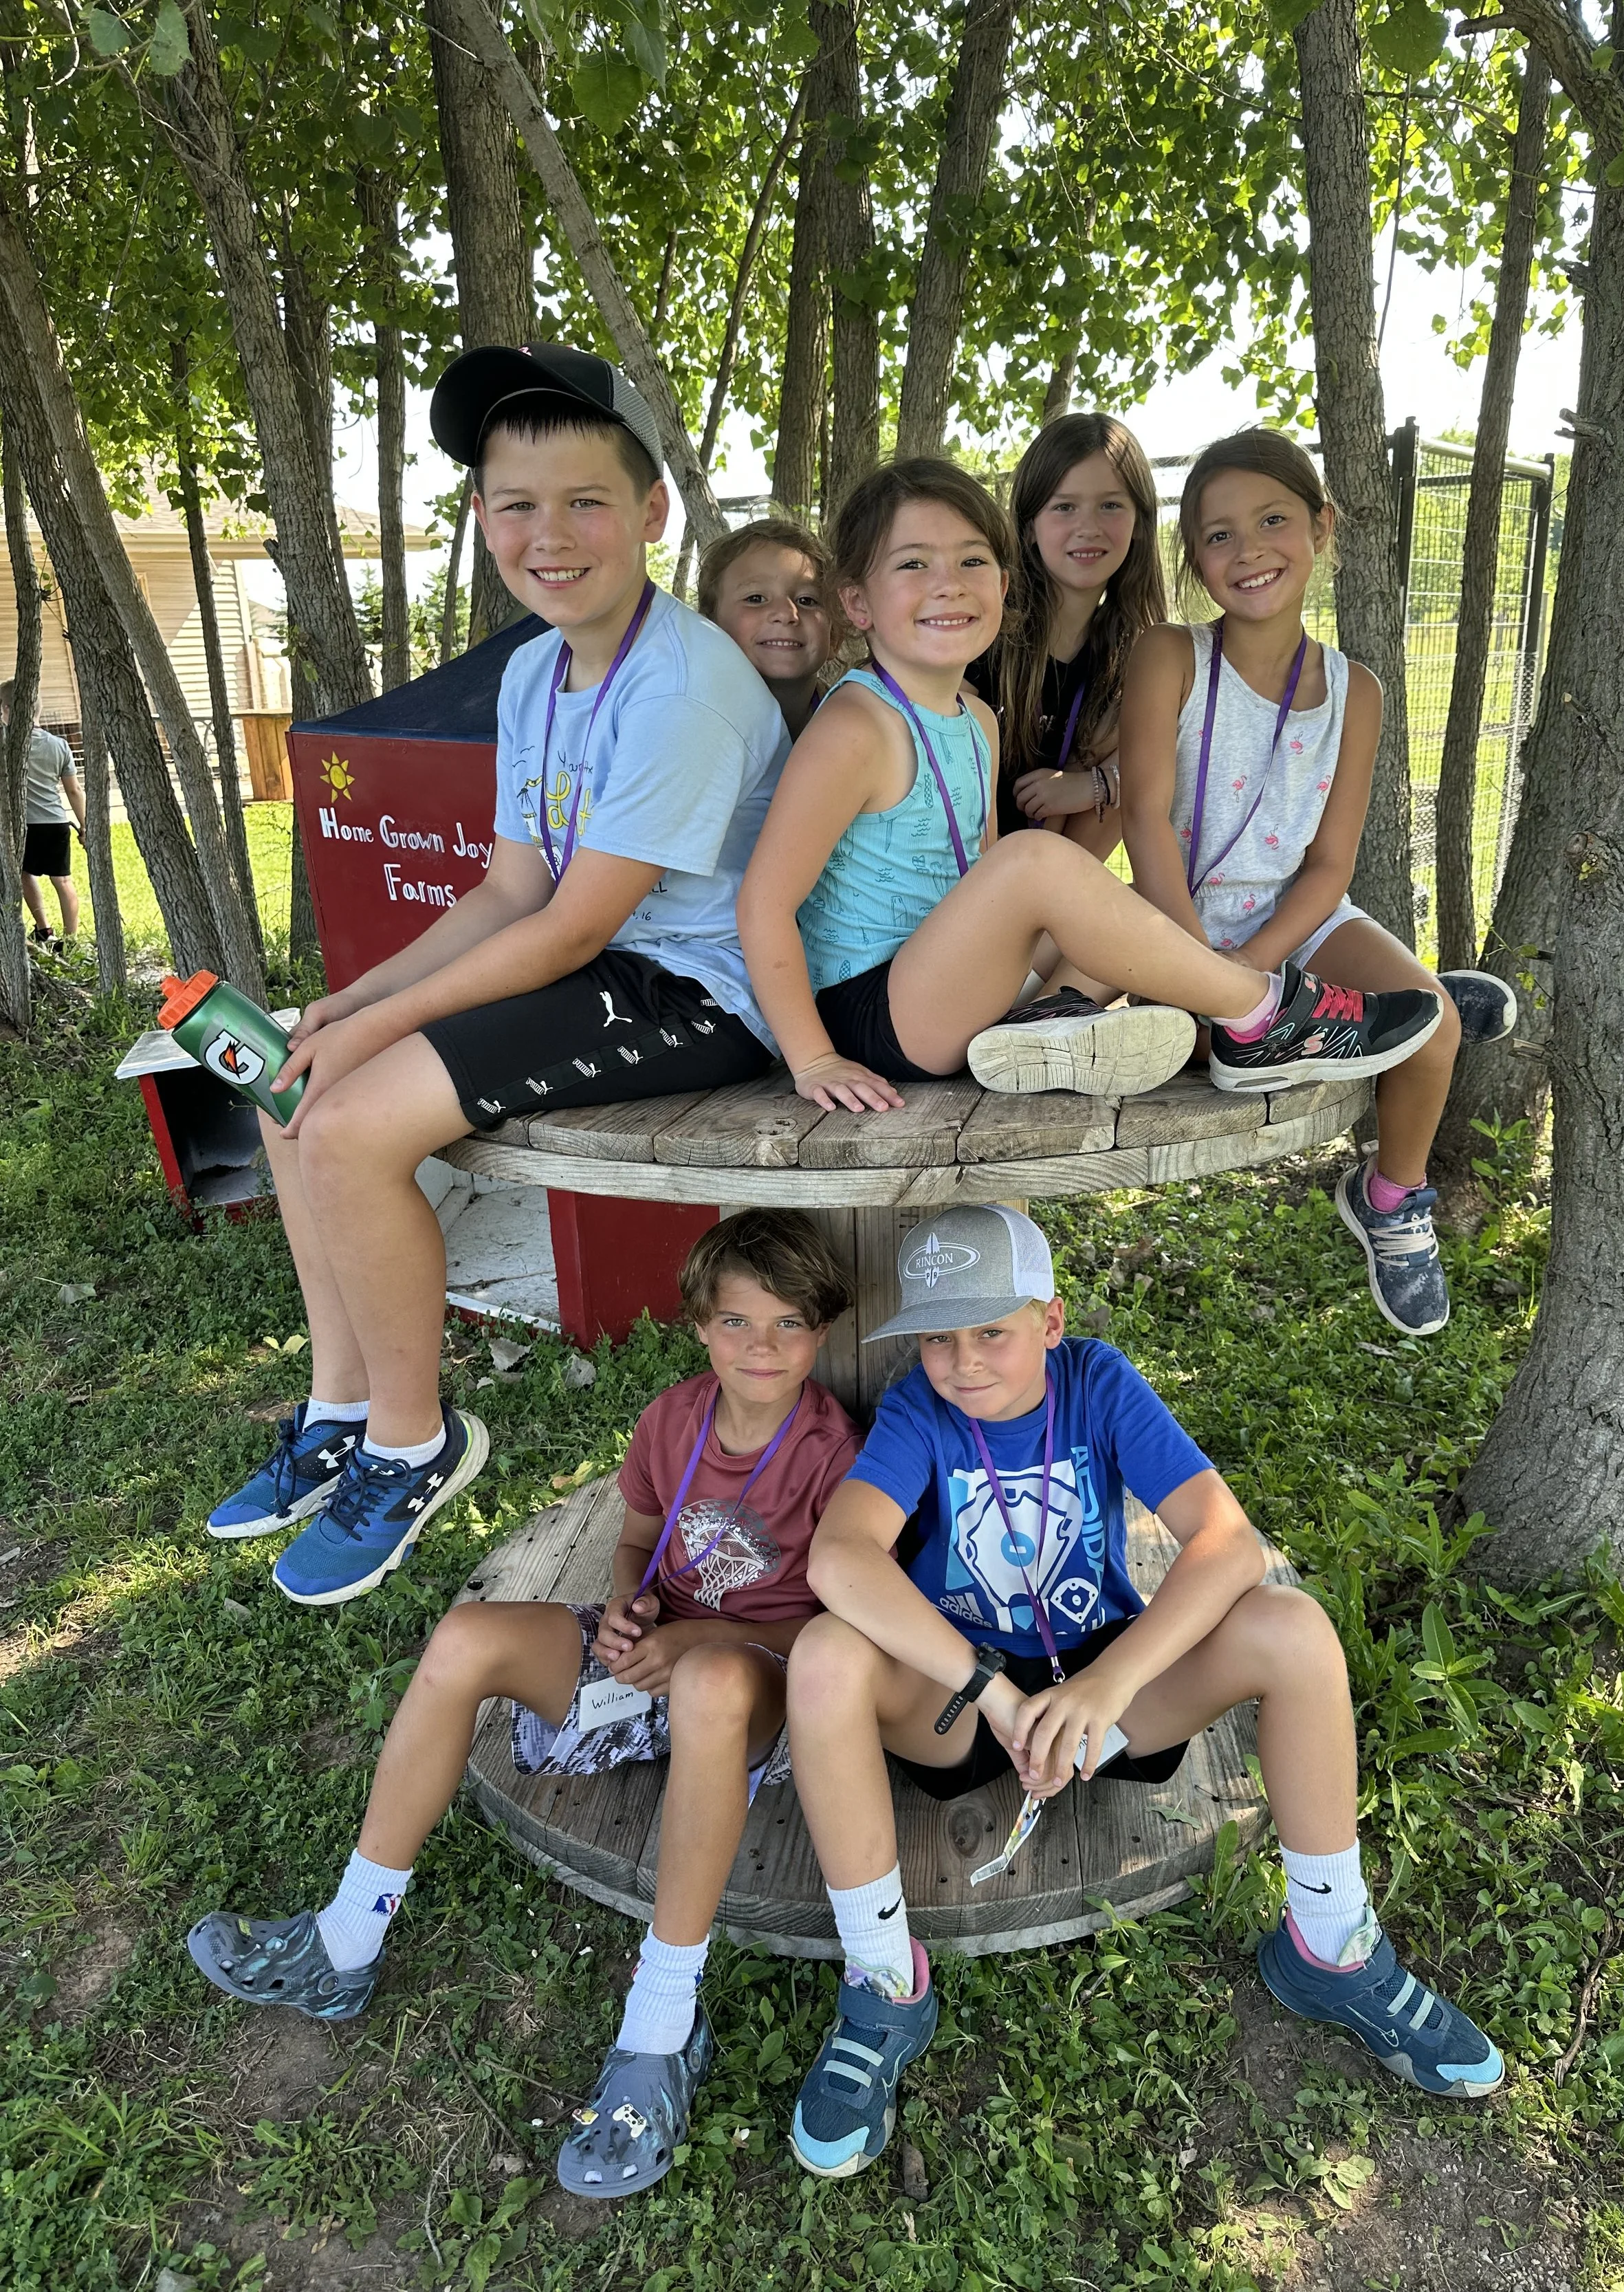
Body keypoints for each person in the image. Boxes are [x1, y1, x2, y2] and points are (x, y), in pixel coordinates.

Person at [204, 344, 789, 1604]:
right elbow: (507, 889)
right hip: (594, 954)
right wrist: (350, 1001)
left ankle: (418, 1443)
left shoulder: (680, 685)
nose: (551, 535)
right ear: (481, 519)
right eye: (517, 505)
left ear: (651, 514)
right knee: (288, 1081)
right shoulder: (535, 668)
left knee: (350, 1122)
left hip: (698, 989)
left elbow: (575, 931)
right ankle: (340, 1407)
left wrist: (381, 1027)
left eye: (586, 501)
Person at [781, 1203, 1506, 2180]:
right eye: (938, 1338)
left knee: (1292, 1628)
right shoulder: (920, 1408)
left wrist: (1105, 1682)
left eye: (991, 1330)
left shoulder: (1097, 1380)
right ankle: (883, 1981)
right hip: (962, 1702)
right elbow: (839, 1556)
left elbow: (1228, 1543)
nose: (962, 1362)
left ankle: (1329, 1945)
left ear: (1051, 1318)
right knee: (825, 1655)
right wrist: (990, 1688)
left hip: (1109, 1693)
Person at [188, 1209, 860, 2197]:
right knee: (466, 1637)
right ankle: (346, 1935)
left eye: (789, 1324)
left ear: (823, 1330)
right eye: (736, 1322)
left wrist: (693, 1643)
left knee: (714, 1684)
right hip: (653, 1652)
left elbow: (838, 1635)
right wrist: (635, 1609)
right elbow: (637, 1542)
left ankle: (659, 2031)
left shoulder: (834, 1451)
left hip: (754, 1681)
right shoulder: (674, 1418)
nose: (762, 1347)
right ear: (698, 1325)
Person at [736, 455, 1445, 1107]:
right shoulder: (856, 724)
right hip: (874, 1014)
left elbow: (977, 886)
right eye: (913, 564)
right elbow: (764, 903)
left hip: (943, 980)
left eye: (971, 560)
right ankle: (1263, 1013)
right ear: (857, 605)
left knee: (1129, 909)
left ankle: (1051, 1021)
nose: (947, 583)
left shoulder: (974, 718)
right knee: (1037, 862)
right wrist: (812, 1060)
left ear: (1004, 585)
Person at [1121, 429, 1518, 1338]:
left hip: (1297, 920)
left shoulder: (1357, 691)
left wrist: (1254, 975)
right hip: (1166, 926)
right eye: (1218, 535)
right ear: (1193, 558)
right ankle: (1343, 1004)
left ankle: (1389, 1196)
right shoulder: (1168, 656)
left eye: (1272, 521)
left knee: (1433, 1029)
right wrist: (1200, 973)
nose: (1249, 550)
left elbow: (1329, 865)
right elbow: (1143, 819)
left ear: (1322, 526)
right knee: (1186, 1050)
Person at [966, 412, 1164, 851]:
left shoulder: (1132, 656)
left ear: (1138, 525)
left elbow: (1174, 757)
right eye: (1064, 507)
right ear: (1029, 527)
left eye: (1111, 505)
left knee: (1141, 738)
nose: (1088, 527)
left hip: (1043, 885)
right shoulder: (981, 630)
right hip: (947, 876)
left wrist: (1095, 786)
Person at [699, 517, 839, 739]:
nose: (786, 613)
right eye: (755, 598)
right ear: (708, 629)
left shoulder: (858, 726)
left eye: (807, 600)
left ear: (835, 636)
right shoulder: (689, 725)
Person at [1, 680, 85, 945]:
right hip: (56, 823)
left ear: (5, 709)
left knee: (25, 875)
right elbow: (74, 791)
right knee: (62, 880)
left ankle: (44, 928)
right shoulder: (59, 745)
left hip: (24, 825)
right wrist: (85, 826)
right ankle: (71, 940)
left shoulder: (5, 744)